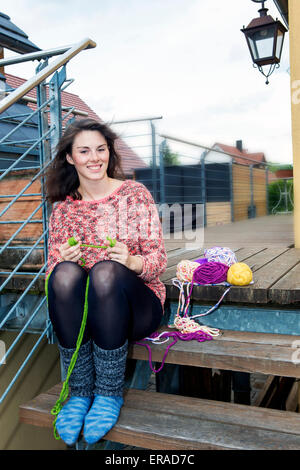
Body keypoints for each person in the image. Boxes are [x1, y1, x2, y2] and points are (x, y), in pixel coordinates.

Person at [44, 118, 167, 446]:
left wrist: (131, 262)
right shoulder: (64, 210)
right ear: (71, 157)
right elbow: (54, 280)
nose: (94, 157)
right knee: (64, 274)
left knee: (106, 271)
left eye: (100, 149)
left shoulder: (135, 194)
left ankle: (109, 394)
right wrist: (62, 261)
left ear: (109, 152)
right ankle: (81, 392)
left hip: (137, 308)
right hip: (90, 314)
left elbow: (158, 262)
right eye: (84, 151)